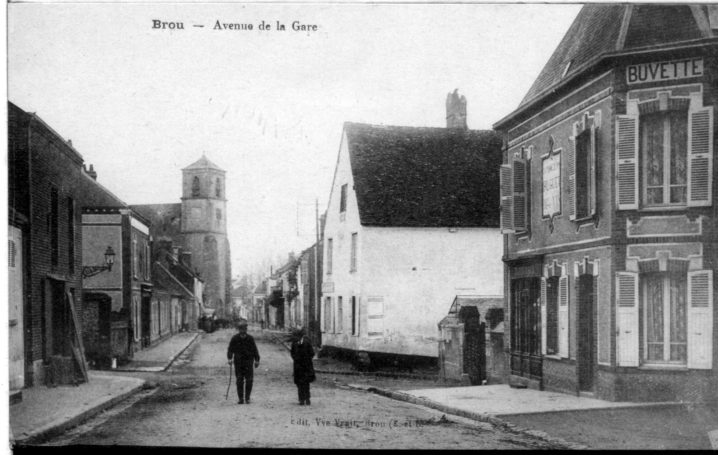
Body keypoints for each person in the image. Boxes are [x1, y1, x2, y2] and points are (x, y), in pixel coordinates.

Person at [227, 320, 260, 404]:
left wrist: (257, 360)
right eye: (241, 329)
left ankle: (247, 398)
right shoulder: (235, 338)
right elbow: (230, 349)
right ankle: (241, 398)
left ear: (246, 329)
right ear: (239, 330)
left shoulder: (250, 338)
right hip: (238, 363)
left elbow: (255, 349)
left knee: (249, 380)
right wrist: (229, 358)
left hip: (249, 362)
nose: (243, 331)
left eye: (244, 329)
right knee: (239, 380)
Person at [290, 328, 316, 406]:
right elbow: (292, 353)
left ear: (300, 336)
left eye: (296, 336)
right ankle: (301, 399)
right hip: (298, 367)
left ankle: (307, 399)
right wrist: (296, 359)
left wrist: (307, 360)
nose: (295, 338)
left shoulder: (307, 343)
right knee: (299, 383)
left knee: (306, 383)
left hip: (306, 366)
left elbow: (312, 353)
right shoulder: (294, 344)